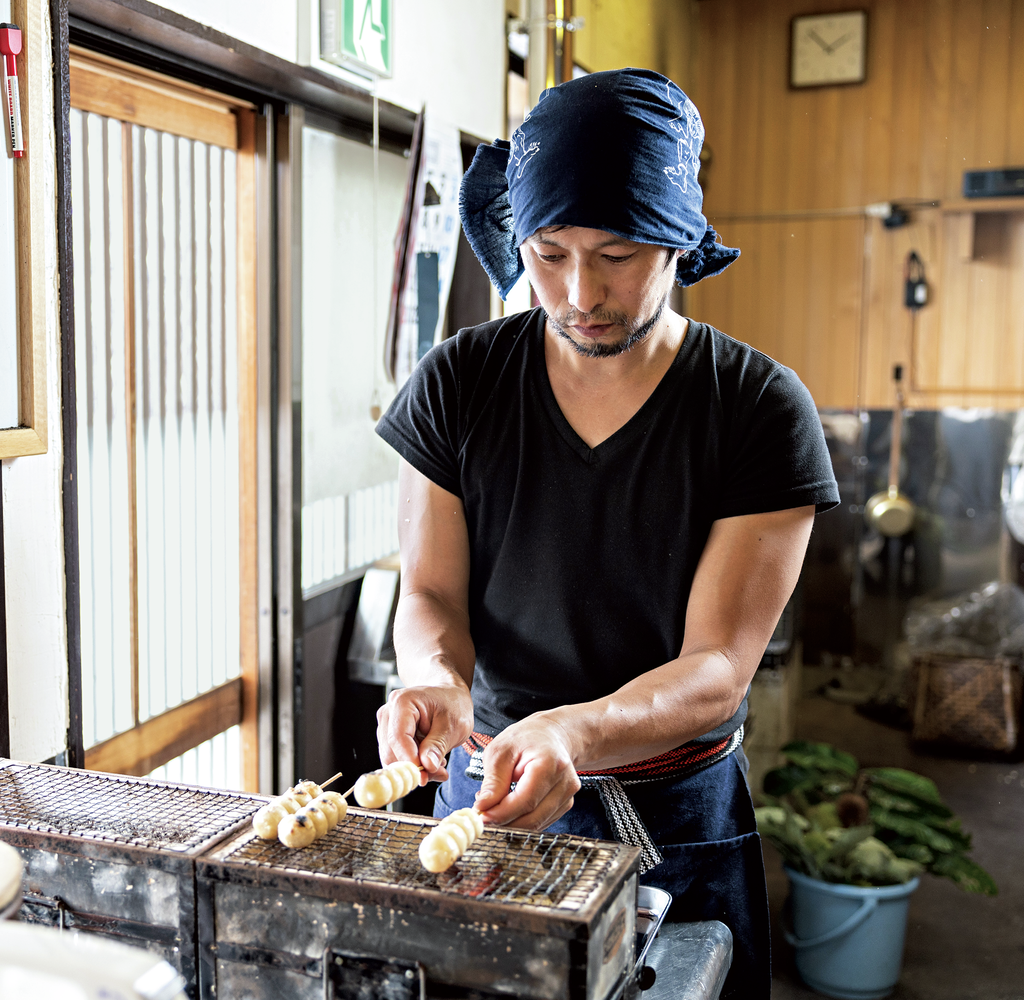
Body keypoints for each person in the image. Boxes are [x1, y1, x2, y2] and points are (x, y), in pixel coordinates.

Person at [373, 69, 839, 1000]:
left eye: (619, 253)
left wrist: (576, 735)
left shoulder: (756, 410)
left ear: (679, 240)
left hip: (672, 809)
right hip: (493, 793)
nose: (580, 292)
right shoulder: (459, 381)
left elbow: (717, 667)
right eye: (548, 253)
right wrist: (433, 679)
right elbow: (428, 594)